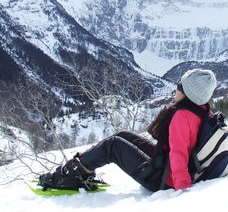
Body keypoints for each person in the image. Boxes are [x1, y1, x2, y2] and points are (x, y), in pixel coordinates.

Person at [39, 69, 217, 192]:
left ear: (189, 94)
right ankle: (82, 169)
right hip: (164, 165)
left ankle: (68, 177)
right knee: (122, 135)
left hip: (162, 179)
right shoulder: (201, 110)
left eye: (179, 86)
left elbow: (179, 155)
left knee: (113, 145)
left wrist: (182, 190)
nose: (176, 89)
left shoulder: (182, 117)